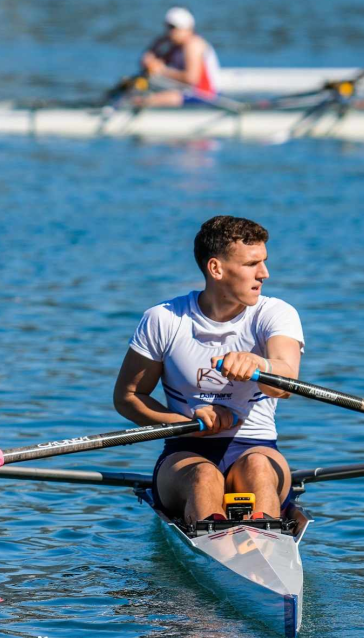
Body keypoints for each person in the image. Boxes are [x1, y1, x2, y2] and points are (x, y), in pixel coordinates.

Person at [113, 216, 304, 527]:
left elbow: (285, 382)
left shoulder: (275, 314)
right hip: (185, 452)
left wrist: (261, 366)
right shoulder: (164, 319)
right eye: (252, 264)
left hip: (257, 446)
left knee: (257, 468)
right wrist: (186, 423)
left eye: (264, 262)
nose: (264, 274)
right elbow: (128, 397)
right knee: (204, 476)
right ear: (216, 269)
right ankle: (217, 543)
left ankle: (263, 543)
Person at [138, 7, 222, 107]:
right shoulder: (174, 44)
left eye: (173, 28)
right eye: (168, 27)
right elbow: (149, 59)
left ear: (187, 29)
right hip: (185, 91)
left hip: (204, 94)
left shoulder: (193, 45)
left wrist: (162, 70)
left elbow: (191, 78)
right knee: (138, 90)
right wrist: (149, 59)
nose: (170, 32)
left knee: (153, 99)